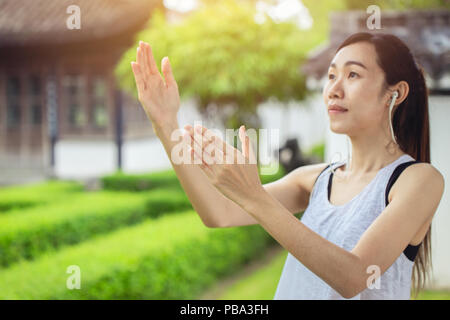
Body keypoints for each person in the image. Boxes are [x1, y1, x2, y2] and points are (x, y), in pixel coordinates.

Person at [130, 32, 445, 300]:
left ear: (396, 92)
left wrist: (254, 196)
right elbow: (219, 213)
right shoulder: (314, 179)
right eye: (331, 75)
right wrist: (166, 125)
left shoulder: (418, 180)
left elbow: (354, 275)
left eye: (353, 75)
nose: (334, 89)